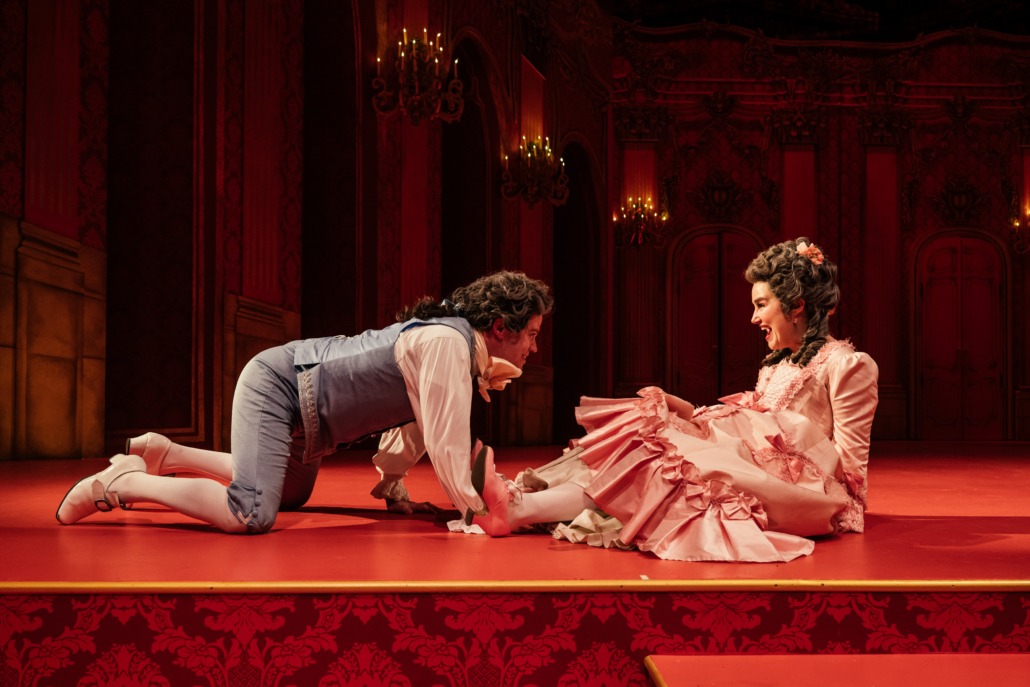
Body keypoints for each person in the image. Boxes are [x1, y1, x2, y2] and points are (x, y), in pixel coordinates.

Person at [469, 238, 878, 562]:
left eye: (761, 305)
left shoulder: (848, 364)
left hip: (796, 486)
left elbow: (850, 466)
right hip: (753, 461)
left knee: (658, 462)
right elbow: (747, 423)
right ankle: (522, 497)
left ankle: (518, 507)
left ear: (797, 306)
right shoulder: (777, 364)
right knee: (643, 429)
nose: (754, 318)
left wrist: (836, 513)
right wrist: (681, 408)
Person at [56, 270, 553, 533]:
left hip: (305, 419)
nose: (532, 347)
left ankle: (169, 455)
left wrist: (395, 486)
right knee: (250, 513)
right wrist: (473, 514)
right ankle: (124, 483)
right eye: (530, 334)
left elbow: (418, 423)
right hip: (279, 388)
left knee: (289, 493)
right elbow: (448, 440)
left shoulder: (456, 347)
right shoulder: (449, 342)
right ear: (500, 327)